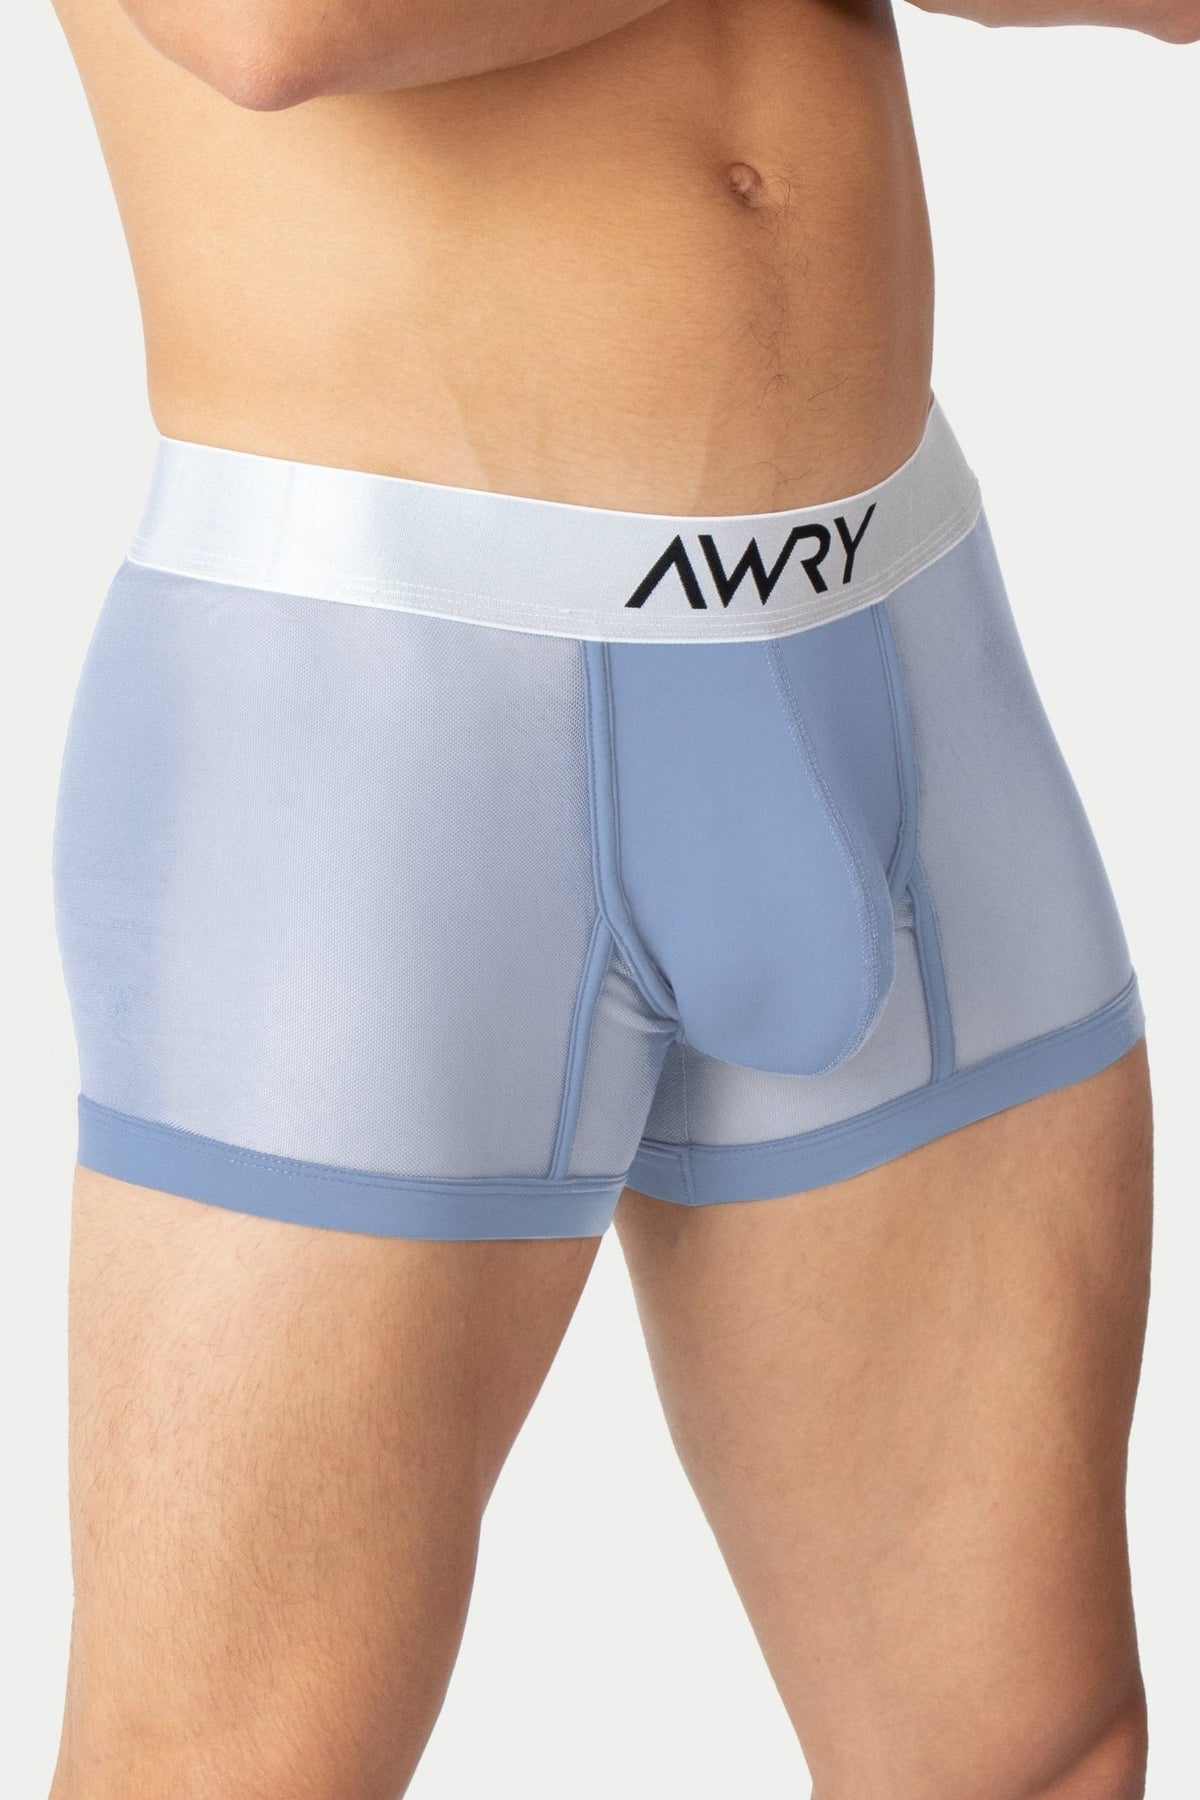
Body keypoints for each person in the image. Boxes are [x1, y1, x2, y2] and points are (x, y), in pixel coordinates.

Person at [44, 0, 1194, 1794]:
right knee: (231, 1767)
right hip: (386, 724)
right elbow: (274, 23)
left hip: (901, 641)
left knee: (1034, 1751)